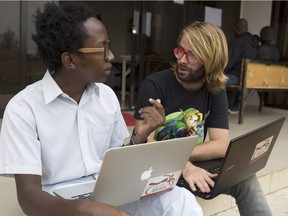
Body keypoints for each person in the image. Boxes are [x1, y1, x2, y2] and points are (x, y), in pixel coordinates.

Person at [0, 3, 203, 216]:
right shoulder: (23, 109)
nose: (111, 56)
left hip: (108, 191)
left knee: (179, 199)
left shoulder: (105, 97)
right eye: (103, 49)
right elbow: (28, 196)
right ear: (69, 60)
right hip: (57, 203)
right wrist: (86, 209)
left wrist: (138, 137)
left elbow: (115, 164)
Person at [133, 21, 273, 216]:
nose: (182, 60)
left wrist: (182, 158)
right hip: (154, 169)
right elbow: (145, 142)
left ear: (211, 60)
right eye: (180, 51)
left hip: (183, 161)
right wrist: (184, 166)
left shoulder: (215, 90)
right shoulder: (155, 85)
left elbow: (220, 145)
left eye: (192, 55)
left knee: (246, 179)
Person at [224, 18, 258, 112]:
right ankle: (233, 106)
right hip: (246, 77)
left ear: (236, 29)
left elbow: (228, 62)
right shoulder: (253, 43)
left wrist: (217, 72)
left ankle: (217, 109)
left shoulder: (239, 42)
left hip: (236, 76)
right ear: (246, 29)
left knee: (213, 80)